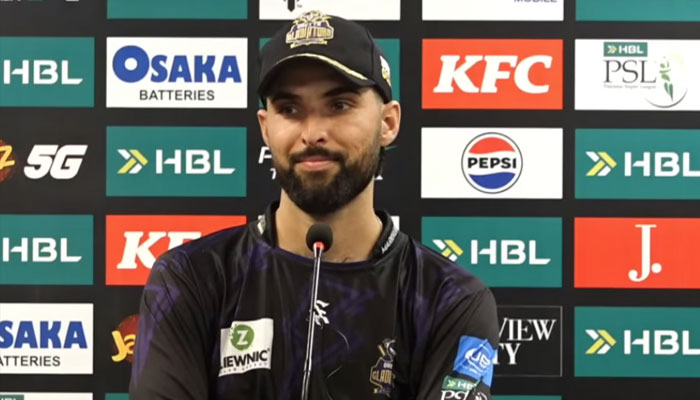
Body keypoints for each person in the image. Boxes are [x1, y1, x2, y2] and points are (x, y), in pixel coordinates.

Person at [129, 10, 499, 400]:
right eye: (289, 110)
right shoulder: (191, 278)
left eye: (339, 105)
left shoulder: (451, 299)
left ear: (388, 123)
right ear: (265, 127)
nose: (313, 133)